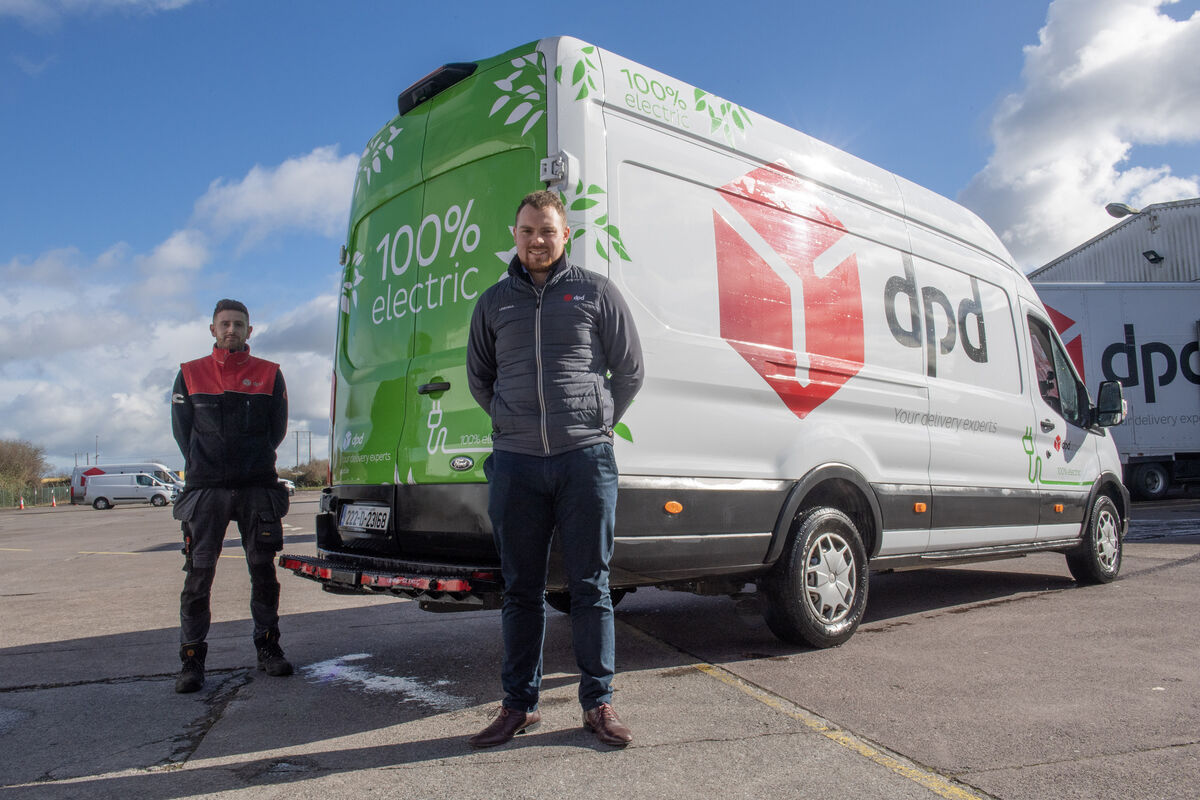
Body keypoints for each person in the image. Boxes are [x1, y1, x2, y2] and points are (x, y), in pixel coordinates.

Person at [465, 190, 644, 747]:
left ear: (565, 235)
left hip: (584, 461)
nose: (536, 240)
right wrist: (508, 417)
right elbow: (479, 377)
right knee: (521, 590)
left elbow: (629, 369)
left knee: (591, 586)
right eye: (526, 231)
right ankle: (519, 705)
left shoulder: (594, 292)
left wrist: (597, 417)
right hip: (517, 464)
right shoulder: (493, 303)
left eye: (547, 230)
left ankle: (599, 703)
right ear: (513, 236)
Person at [170, 299, 292, 693]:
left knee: (263, 571)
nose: (231, 330)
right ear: (212, 329)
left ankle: (268, 648)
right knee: (199, 575)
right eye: (224, 324)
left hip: (257, 486)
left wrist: (249, 462)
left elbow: (276, 430)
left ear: (249, 331)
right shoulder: (189, 374)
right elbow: (182, 431)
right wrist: (208, 465)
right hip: (206, 490)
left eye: (239, 324)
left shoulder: (270, 374)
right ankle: (191, 661)